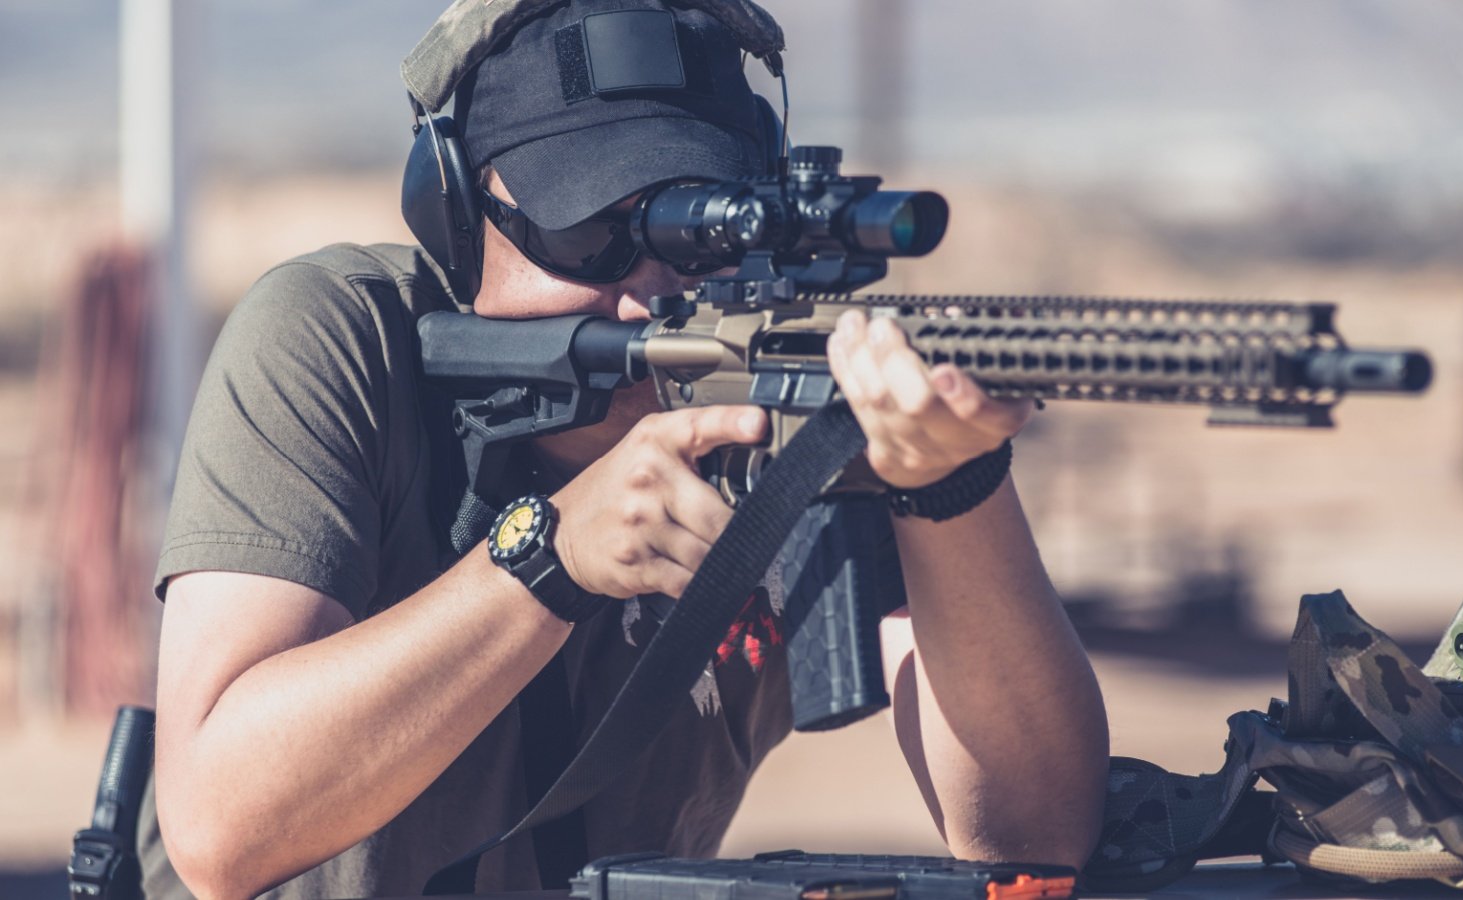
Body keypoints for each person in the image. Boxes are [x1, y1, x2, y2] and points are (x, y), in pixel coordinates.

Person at [138, 2, 1108, 897]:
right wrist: (546, 563)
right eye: (589, 231)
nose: (651, 295)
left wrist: (952, 483)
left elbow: (1034, 838)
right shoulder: (340, 339)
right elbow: (223, 831)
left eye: (698, 236)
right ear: (456, 216)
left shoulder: (804, 399)